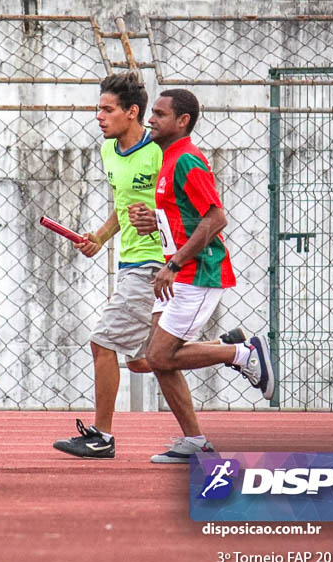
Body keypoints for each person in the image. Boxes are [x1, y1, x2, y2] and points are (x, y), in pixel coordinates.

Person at [52, 73, 245, 460]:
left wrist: (171, 258)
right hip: (131, 262)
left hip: (155, 263)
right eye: (98, 109)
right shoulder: (110, 151)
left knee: (103, 343)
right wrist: (102, 237)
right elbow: (124, 204)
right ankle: (226, 355)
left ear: (132, 112)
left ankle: (101, 436)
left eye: (107, 110)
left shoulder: (162, 150)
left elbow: (192, 210)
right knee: (146, 360)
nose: (99, 117)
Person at [126, 88, 274, 464]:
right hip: (177, 272)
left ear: (182, 121)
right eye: (152, 113)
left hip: (196, 272)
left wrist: (173, 264)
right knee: (156, 361)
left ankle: (241, 352)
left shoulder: (188, 160)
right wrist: (152, 223)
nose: (150, 120)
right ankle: (195, 440)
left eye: (159, 114)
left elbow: (216, 217)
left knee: (159, 357)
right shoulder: (168, 158)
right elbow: (183, 218)